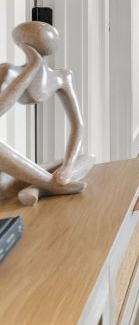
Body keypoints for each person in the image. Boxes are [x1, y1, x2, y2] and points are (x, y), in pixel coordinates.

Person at [0, 21, 93, 204]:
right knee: (4, 182)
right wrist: (32, 66)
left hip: (30, 176)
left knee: (87, 158)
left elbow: (78, 126)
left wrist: (67, 167)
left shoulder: (62, 77)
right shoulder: (8, 71)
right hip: (6, 173)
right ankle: (52, 185)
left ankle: (37, 187)